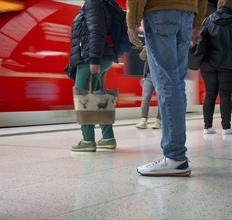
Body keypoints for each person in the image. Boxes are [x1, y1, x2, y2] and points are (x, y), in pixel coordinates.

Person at [126, 0, 208, 176]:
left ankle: (174, 157)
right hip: (187, 15)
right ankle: (177, 154)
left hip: (159, 12)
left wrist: (132, 22)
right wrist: (197, 24)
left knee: (167, 82)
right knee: (176, 82)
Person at [69, 0, 118, 152]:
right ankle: (108, 138)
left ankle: (88, 140)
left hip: (91, 57)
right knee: (98, 96)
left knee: (83, 95)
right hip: (100, 56)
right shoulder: (98, 3)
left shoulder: (93, 2)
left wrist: (94, 59)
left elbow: (97, 30)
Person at [198, 0, 232, 135]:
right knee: (225, 95)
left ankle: (207, 127)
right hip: (228, 63)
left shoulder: (208, 20)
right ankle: (226, 128)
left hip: (208, 63)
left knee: (210, 94)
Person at [135, 47, 161, 129]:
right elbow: (142, 57)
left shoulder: (163, 44)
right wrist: (145, 50)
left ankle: (158, 121)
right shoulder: (149, 45)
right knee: (145, 99)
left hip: (160, 76)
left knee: (161, 99)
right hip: (148, 76)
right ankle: (143, 121)